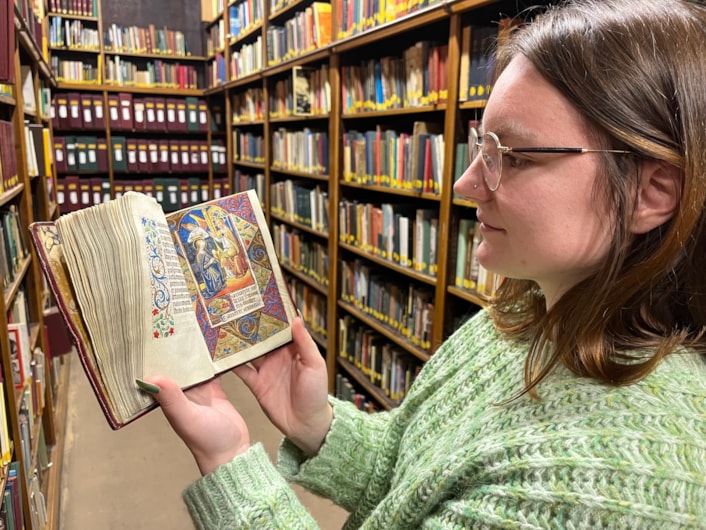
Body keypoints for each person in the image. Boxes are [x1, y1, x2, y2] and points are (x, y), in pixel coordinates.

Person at [140, 0, 706, 526]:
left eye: (514, 156)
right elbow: (412, 477)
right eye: (481, 146)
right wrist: (318, 425)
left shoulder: (613, 485)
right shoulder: (523, 318)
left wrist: (231, 464)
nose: (465, 183)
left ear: (651, 193)